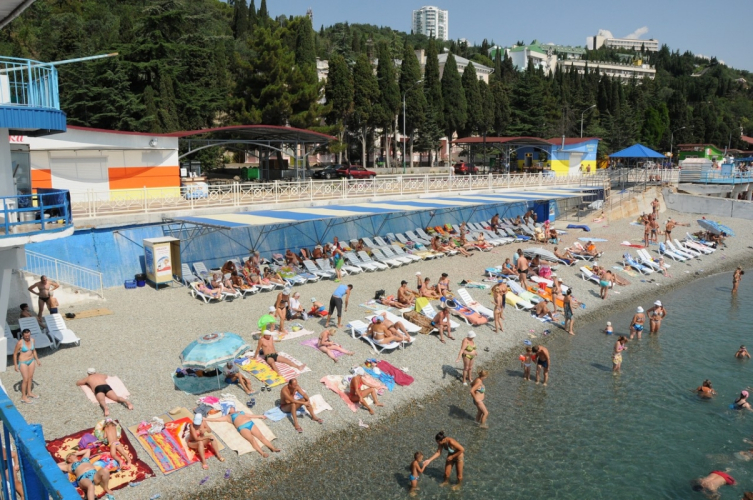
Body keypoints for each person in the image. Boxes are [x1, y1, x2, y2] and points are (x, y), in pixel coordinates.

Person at [206, 408, 280, 458]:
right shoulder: (228, 416)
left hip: (250, 423)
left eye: (232, 406)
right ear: (228, 410)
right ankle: (262, 453)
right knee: (252, 440)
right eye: (230, 407)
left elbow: (250, 415)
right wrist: (205, 419)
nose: (232, 407)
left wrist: (260, 416)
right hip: (242, 427)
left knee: (261, 437)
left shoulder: (240, 412)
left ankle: (273, 448)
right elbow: (217, 419)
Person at [13, 329, 40, 404]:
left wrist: (37, 360)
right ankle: (23, 396)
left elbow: (33, 350)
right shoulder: (20, 343)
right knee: (25, 379)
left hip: (31, 360)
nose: (27, 337)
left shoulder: (32, 340)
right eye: (26, 336)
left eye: (28, 335)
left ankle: (29, 392)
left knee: (30, 377)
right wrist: (15, 365)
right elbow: (15, 354)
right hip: (23, 362)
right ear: (23, 335)